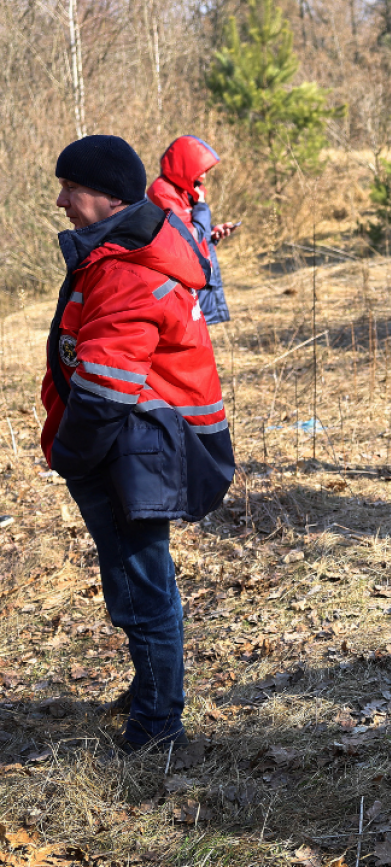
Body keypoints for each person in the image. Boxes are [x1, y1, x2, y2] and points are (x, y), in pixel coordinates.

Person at [42, 135, 236, 752]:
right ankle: (154, 686)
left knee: (139, 586)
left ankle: (157, 725)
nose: (61, 201)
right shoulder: (118, 253)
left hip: (128, 450)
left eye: (70, 188)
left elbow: (103, 389)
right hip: (133, 444)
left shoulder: (125, 270)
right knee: (142, 577)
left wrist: (70, 457)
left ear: (104, 196)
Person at [146, 135, 240, 326]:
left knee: (202, 333)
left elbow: (192, 229)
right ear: (185, 166)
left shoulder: (185, 190)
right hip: (181, 280)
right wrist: (202, 207)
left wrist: (212, 233)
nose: (204, 176)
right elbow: (186, 237)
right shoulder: (162, 192)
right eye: (201, 170)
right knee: (191, 333)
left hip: (196, 273)